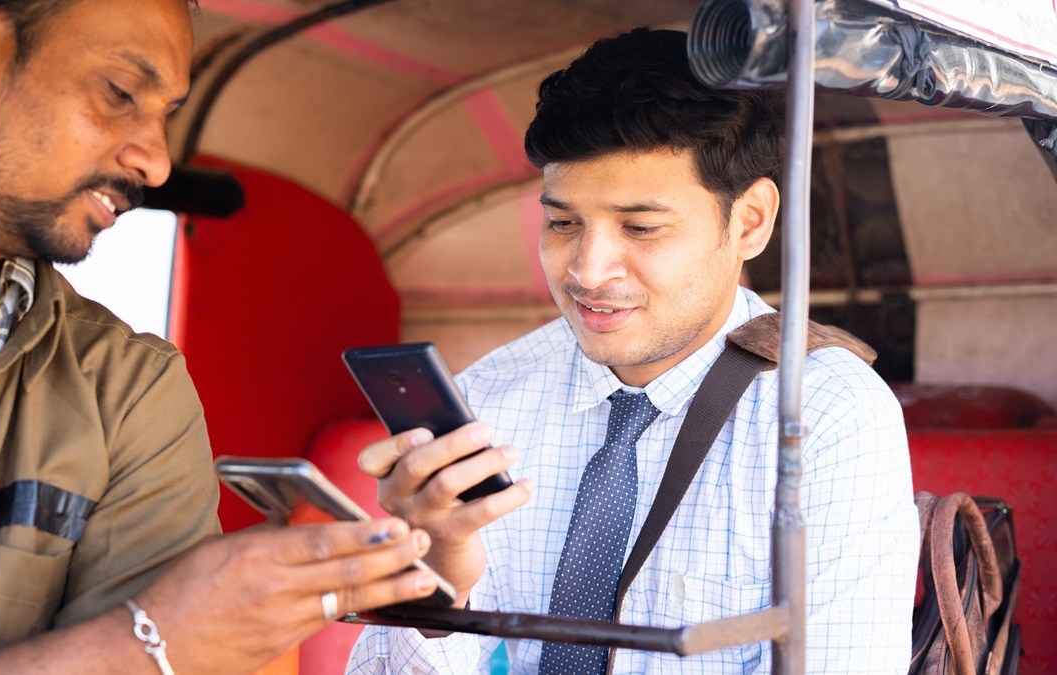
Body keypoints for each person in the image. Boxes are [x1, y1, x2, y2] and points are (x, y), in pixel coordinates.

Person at [0, 1, 441, 673]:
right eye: (120, 93)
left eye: (165, 114)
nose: (157, 162)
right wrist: (133, 646)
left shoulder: (134, 391)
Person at [347, 28, 919, 674]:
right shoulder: (488, 399)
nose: (588, 270)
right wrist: (440, 576)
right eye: (563, 222)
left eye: (641, 227)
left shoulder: (827, 417)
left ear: (750, 221)